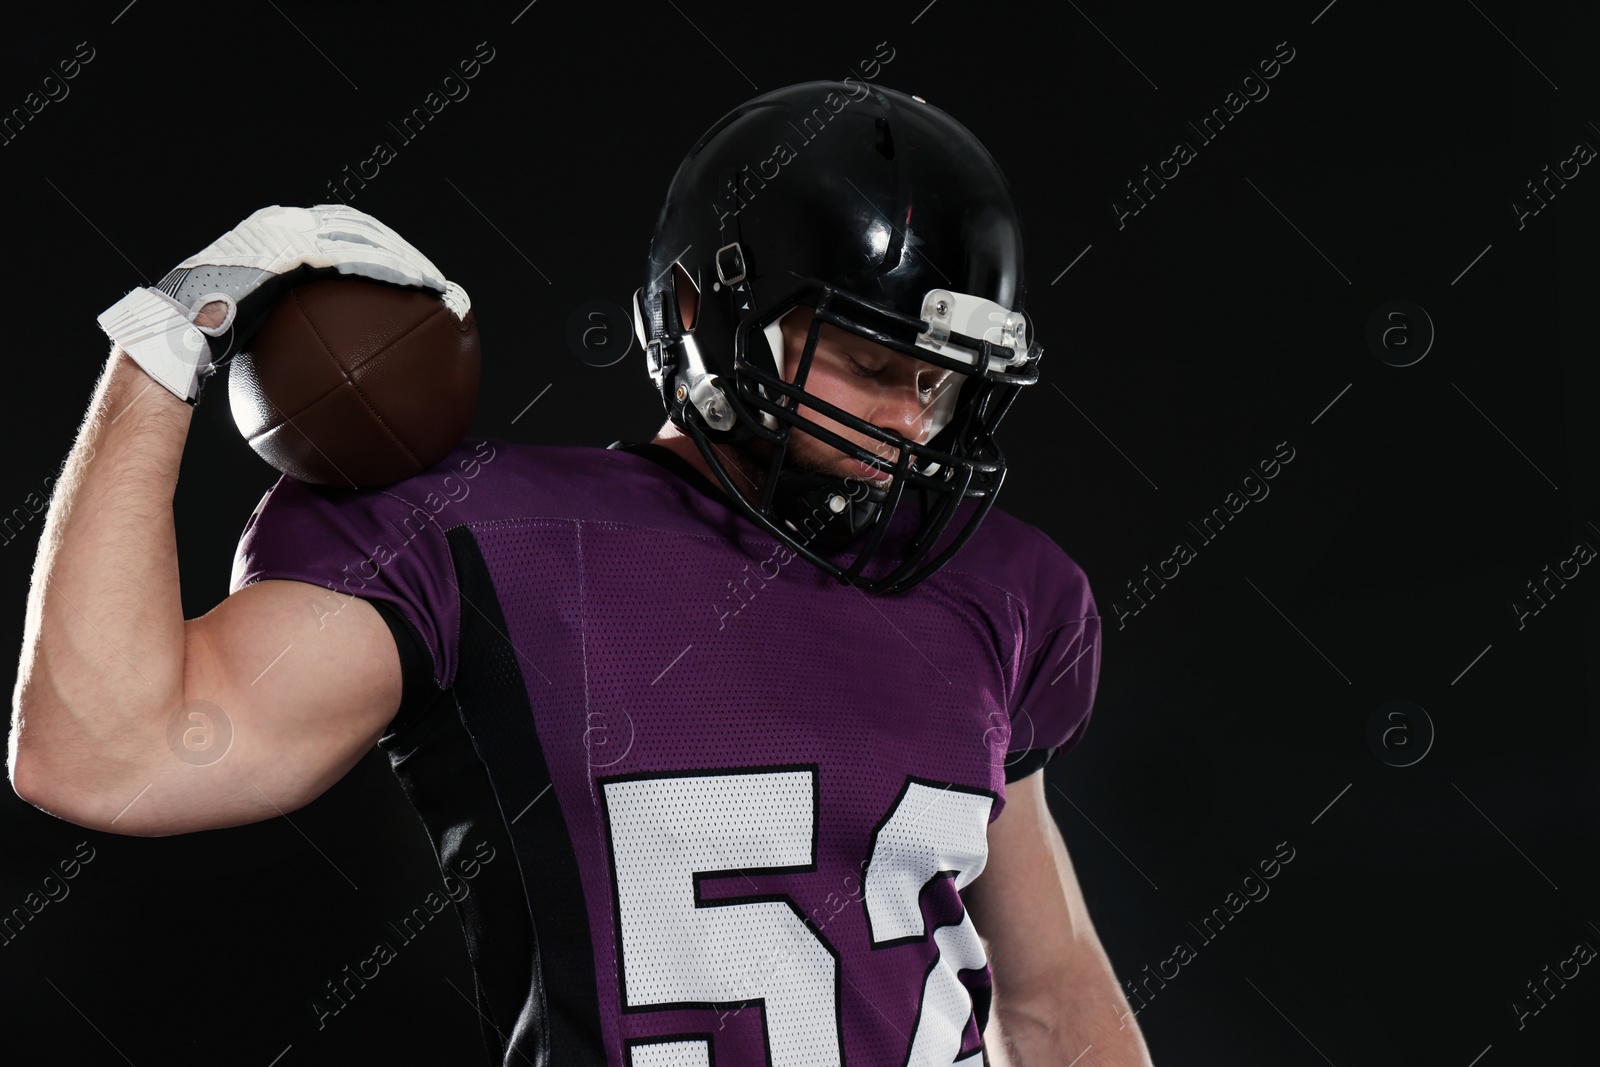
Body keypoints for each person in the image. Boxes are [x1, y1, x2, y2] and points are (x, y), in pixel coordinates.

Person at [10, 82, 1153, 1065]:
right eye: (866, 362)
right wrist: (163, 340)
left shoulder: (1000, 587)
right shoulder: (475, 532)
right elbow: (105, 751)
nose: (908, 423)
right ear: (705, 312)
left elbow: (1048, 1002)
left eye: (940, 383)